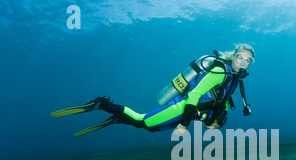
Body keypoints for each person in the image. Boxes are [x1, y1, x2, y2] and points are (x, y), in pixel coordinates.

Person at [50, 44, 255, 136]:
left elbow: (224, 100)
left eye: (248, 60)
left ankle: (119, 118)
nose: (243, 62)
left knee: (152, 128)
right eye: (240, 57)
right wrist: (183, 125)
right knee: (143, 121)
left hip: (193, 114)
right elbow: (194, 95)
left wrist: (218, 120)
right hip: (183, 109)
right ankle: (102, 104)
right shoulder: (220, 70)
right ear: (233, 56)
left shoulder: (234, 77)